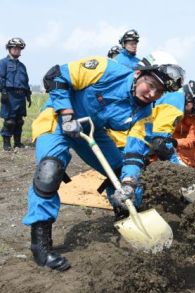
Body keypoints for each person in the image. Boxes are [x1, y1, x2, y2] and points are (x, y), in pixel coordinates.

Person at [22, 52, 185, 271]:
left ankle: (125, 216)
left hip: (91, 129)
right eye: (151, 85)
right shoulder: (105, 68)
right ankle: (41, 246)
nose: (152, 94)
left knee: (121, 175)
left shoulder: (144, 112)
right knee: (49, 172)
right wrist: (67, 113)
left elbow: (134, 152)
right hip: (59, 119)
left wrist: (128, 182)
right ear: (139, 73)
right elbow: (56, 75)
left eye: (159, 92)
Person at [148, 80, 195, 166]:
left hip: (182, 150)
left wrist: (176, 142)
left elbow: (193, 141)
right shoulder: (173, 103)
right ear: (189, 98)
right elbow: (159, 139)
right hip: (161, 142)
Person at [0, 38, 31, 150]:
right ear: (9, 49)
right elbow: (0, 78)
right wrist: (3, 92)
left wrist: (28, 95)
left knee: (19, 121)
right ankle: (6, 145)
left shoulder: (22, 66)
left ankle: (17, 143)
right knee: (9, 121)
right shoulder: (3, 63)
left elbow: (25, 81)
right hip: (9, 95)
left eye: (19, 48)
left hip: (21, 96)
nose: (17, 50)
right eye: (15, 48)